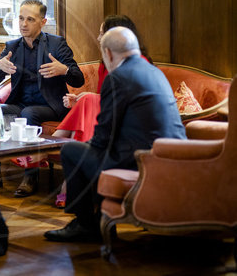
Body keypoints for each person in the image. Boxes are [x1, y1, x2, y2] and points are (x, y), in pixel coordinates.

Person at [44, 26, 186, 242]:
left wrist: (89, 146)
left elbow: (104, 134)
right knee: (89, 152)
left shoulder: (118, 77)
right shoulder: (154, 72)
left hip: (138, 160)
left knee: (72, 150)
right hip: (170, 156)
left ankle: (85, 224)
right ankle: (99, 217)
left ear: (108, 53)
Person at [15, 15, 152, 208]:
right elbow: (106, 100)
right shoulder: (108, 64)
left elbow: (122, 104)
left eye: (101, 33)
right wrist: (80, 100)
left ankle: (46, 150)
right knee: (87, 101)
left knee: (88, 100)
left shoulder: (137, 66)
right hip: (109, 114)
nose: (97, 38)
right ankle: (63, 178)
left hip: (130, 126)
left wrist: (87, 98)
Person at [0, 0, 84, 198]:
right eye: (21, 18)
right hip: (20, 103)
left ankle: (30, 177)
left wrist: (63, 69)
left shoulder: (57, 44)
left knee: (28, 114)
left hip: (50, 105)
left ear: (43, 21)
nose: (23, 24)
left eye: (30, 19)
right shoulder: (12, 46)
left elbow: (78, 79)